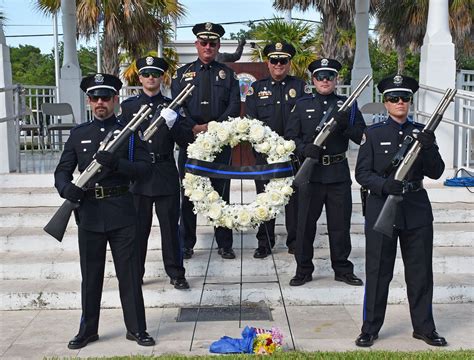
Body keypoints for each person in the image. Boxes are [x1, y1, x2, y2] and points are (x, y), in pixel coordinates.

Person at [54, 73, 155, 349]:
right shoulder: (79, 134)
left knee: (130, 275)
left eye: (106, 98)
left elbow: (145, 170)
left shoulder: (130, 133)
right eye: (95, 98)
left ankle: (136, 329)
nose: (100, 103)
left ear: (115, 100)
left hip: (122, 210)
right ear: (88, 101)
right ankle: (87, 330)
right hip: (89, 212)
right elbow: (62, 172)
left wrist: (116, 164)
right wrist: (67, 190)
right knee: (91, 276)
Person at [354, 75, 447, 347]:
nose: (400, 103)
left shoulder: (422, 132)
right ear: (385, 102)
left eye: (404, 98)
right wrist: (385, 186)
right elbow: (362, 174)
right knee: (378, 271)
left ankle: (424, 328)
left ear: (410, 101)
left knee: (420, 273)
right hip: (382, 207)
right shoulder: (372, 134)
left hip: (416, 208)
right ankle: (370, 328)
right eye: (394, 98)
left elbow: (437, 171)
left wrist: (428, 147)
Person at [285, 58, 365, 287]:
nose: (325, 80)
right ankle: (303, 269)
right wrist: (304, 149)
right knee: (305, 226)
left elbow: (362, 136)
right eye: (320, 76)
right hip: (311, 175)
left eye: (330, 76)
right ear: (313, 80)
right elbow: (291, 136)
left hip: (338, 173)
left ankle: (342, 269)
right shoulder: (301, 104)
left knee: (340, 226)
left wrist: (345, 126)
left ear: (336, 80)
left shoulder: (347, 105)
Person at [172, 22, 240, 260]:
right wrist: (194, 127)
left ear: (219, 45)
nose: (208, 47)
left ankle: (224, 244)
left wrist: (212, 128)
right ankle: (186, 243)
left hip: (219, 143)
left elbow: (233, 106)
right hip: (191, 143)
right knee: (189, 194)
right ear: (196, 45)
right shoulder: (182, 74)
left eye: (213, 43)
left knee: (221, 194)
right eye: (204, 43)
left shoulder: (229, 74)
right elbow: (176, 108)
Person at [120, 56, 189, 289]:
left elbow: (186, 140)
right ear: (139, 78)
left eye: (155, 74)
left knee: (171, 229)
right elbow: (120, 141)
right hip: (138, 174)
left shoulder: (173, 105)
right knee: (138, 230)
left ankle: (176, 273)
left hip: (164, 171)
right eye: (146, 74)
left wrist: (174, 124)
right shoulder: (128, 107)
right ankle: (135, 274)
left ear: (162, 78)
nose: (151, 78)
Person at [245, 42, 309, 258]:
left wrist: (291, 147)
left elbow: (304, 122)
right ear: (268, 63)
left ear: (289, 63)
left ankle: (294, 241)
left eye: (283, 60)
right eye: (274, 60)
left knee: (293, 200)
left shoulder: (300, 88)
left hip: (292, 156)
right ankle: (264, 242)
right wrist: (267, 147)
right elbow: (252, 122)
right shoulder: (256, 89)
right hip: (265, 155)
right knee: (264, 199)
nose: (278, 64)